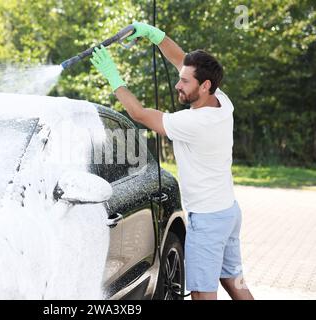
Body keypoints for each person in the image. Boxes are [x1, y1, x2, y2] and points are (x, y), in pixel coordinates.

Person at [90, 22, 254, 300]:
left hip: (208, 220)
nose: (178, 85)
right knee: (234, 283)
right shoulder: (221, 101)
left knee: (202, 294)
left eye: (185, 82)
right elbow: (182, 61)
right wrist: (154, 35)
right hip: (227, 212)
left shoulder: (194, 122)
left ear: (204, 86)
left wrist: (114, 78)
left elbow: (140, 114)